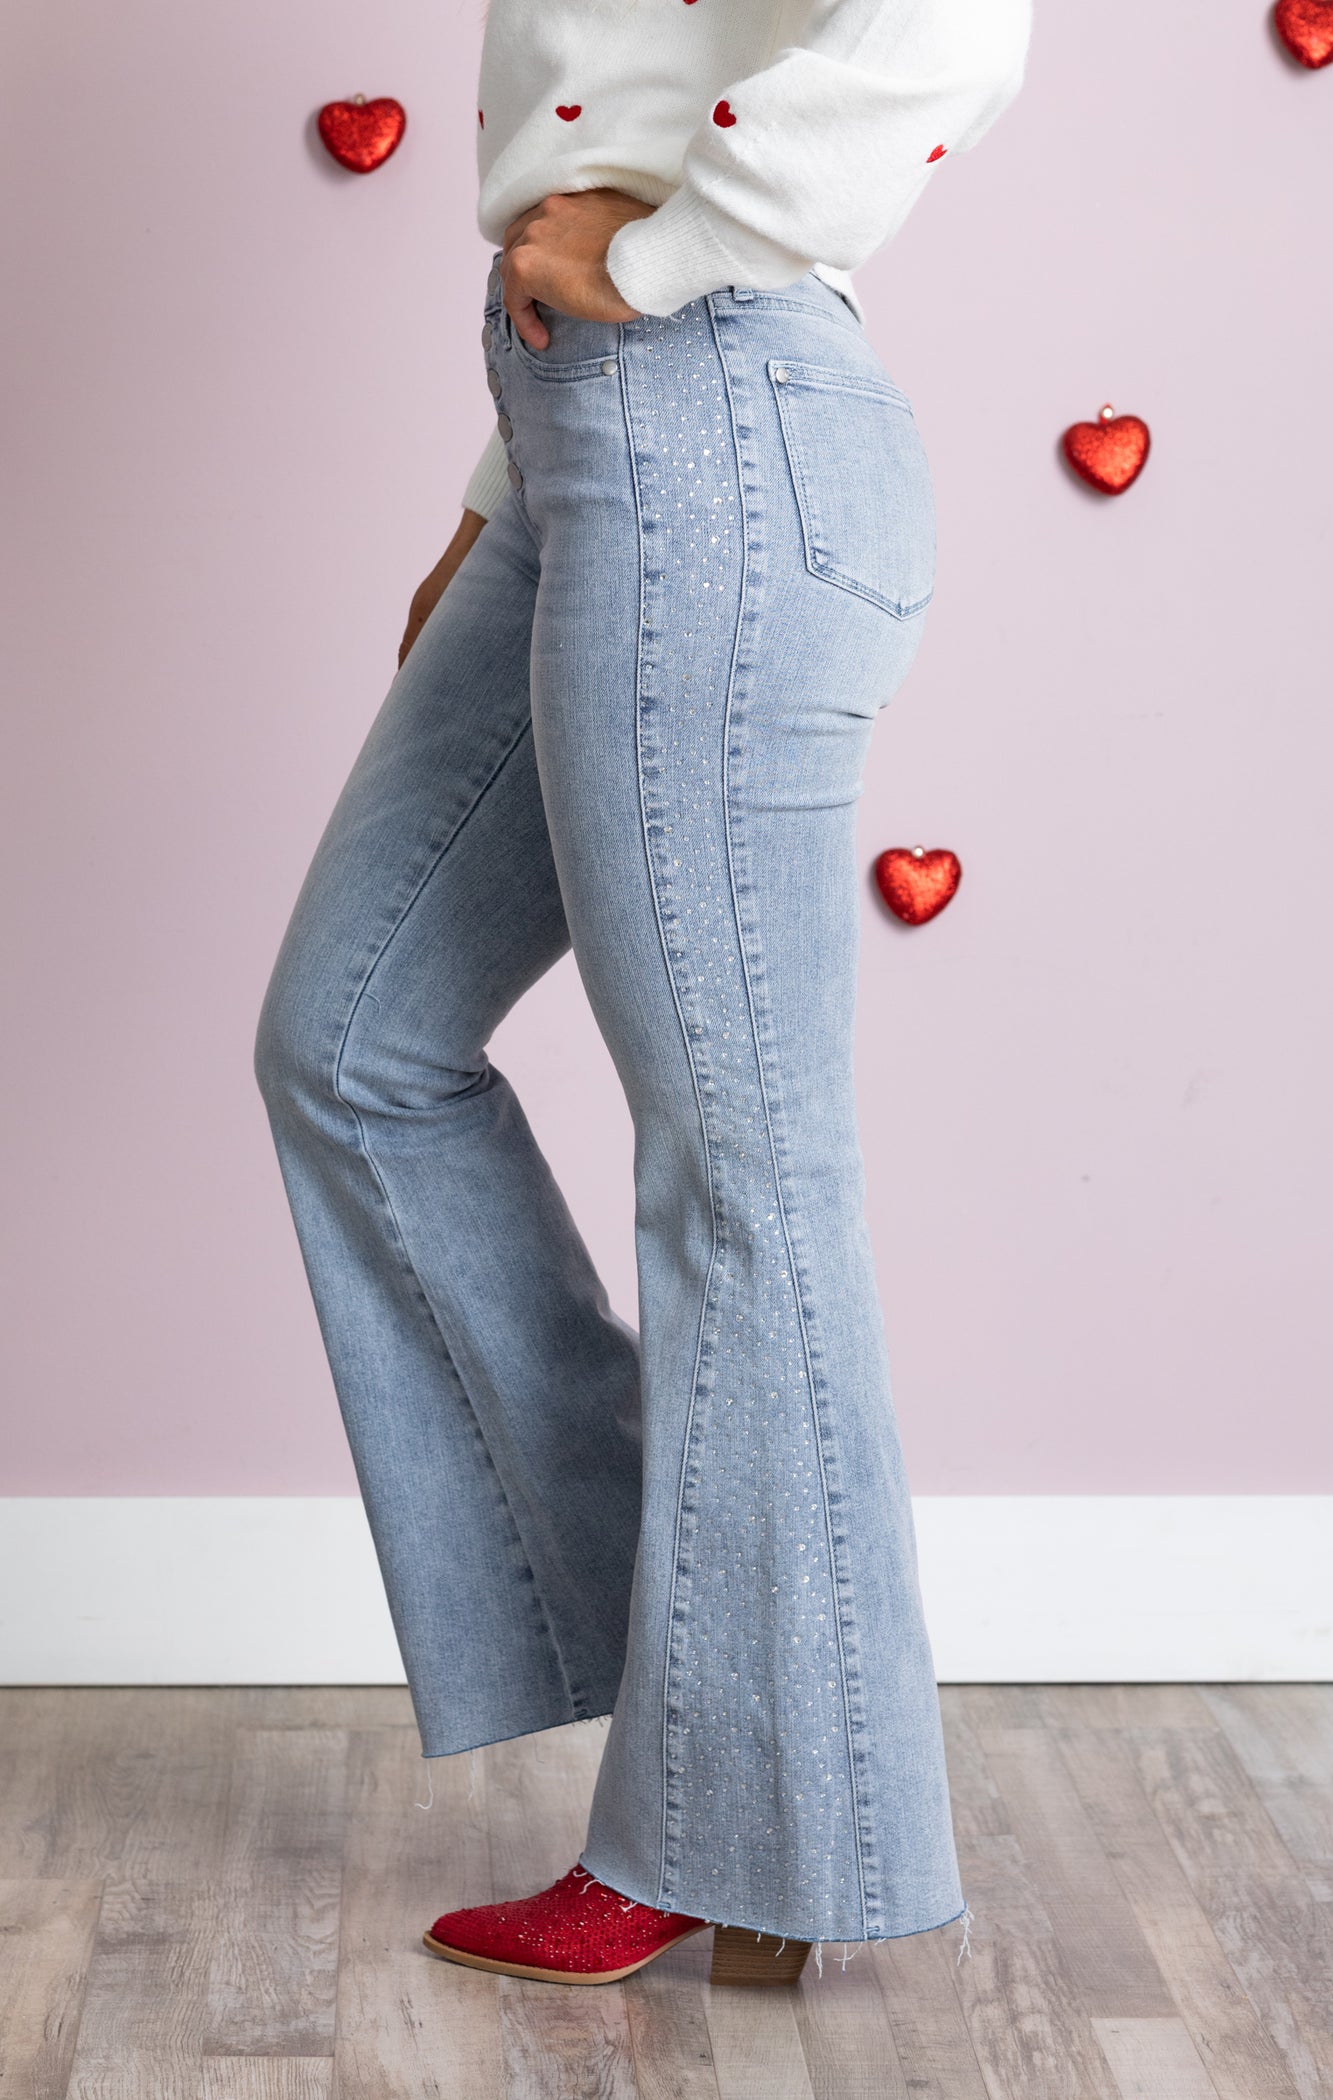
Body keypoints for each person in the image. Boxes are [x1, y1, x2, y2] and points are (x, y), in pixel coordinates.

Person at [255, 0, 1032, 1988]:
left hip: (714, 424)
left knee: (742, 1173)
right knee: (351, 1043)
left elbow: (953, 27)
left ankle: (750, 1815)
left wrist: (670, 250)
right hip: (584, 440)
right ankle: (725, 1671)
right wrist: (495, 488)